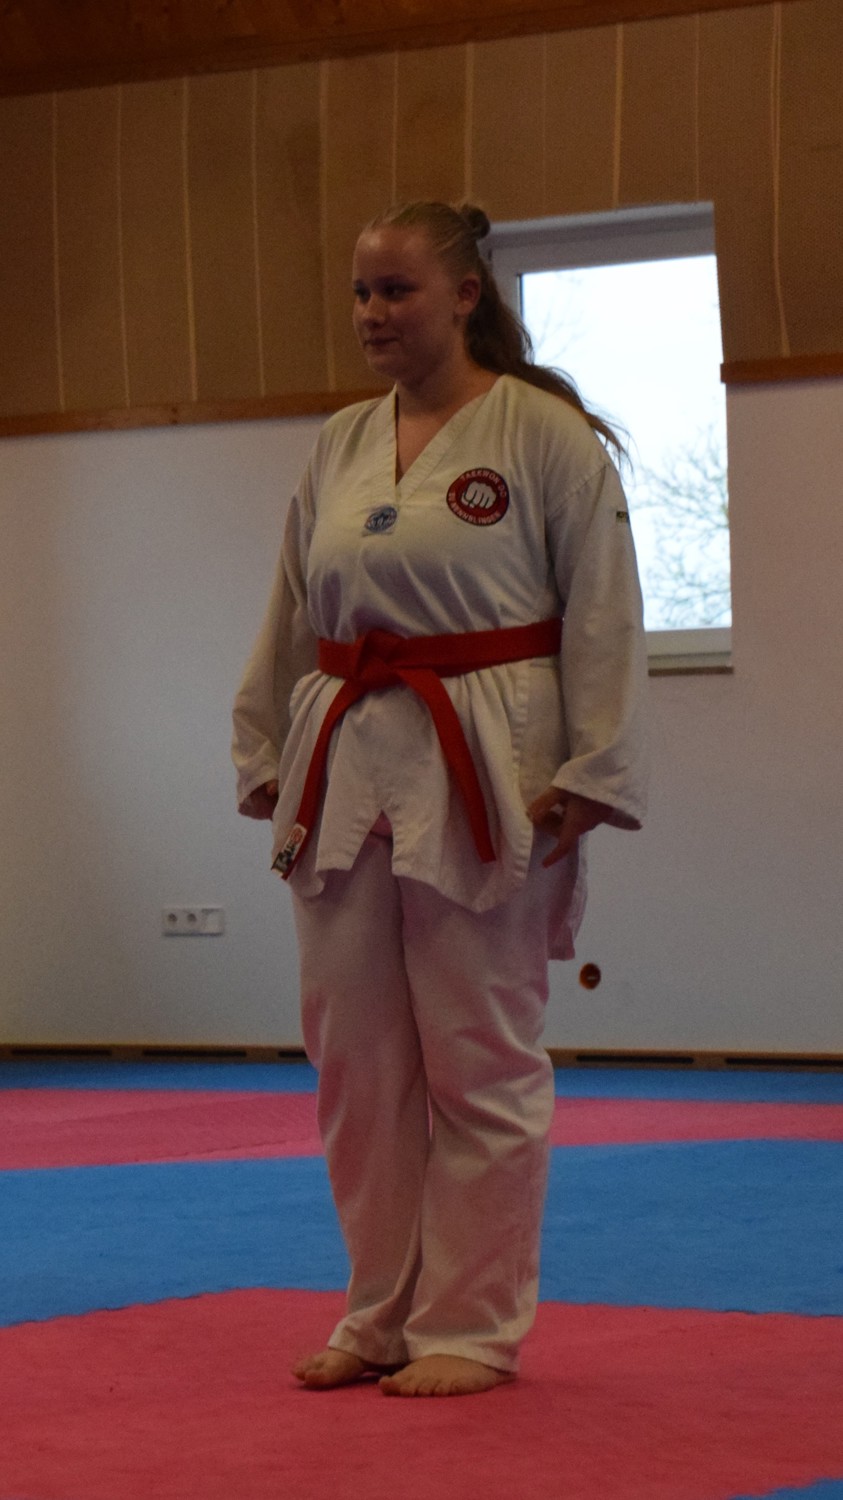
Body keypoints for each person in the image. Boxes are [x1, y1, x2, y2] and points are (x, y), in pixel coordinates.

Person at [232, 200, 648, 1398]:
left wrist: (593, 770)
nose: (373, 313)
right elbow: (293, 605)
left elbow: (605, 608)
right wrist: (264, 743)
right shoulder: (340, 441)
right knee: (354, 1060)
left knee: (480, 1052)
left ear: (465, 295)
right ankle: (378, 1312)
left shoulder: (543, 434)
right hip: (346, 750)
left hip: (490, 762)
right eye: (363, 292)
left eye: (397, 289)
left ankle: (470, 1325)